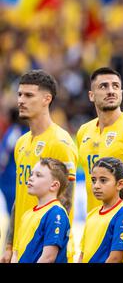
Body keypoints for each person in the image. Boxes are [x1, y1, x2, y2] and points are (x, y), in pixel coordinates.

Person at [0, 70, 77, 263]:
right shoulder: (21, 143)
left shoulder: (60, 142)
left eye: (28, 95)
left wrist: (50, 251)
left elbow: (65, 202)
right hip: (22, 246)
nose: (21, 101)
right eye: (19, 95)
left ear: (46, 99)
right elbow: (20, 197)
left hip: (46, 248)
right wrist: (10, 245)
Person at [77, 67, 123, 224]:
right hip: (94, 228)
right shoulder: (83, 132)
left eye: (115, 86)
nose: (111, 91)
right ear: (91, 95)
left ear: (121, 93)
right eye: (103, 86)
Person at [11, 158, 70, 263]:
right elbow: (16, 253)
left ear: (54, 185)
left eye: (38, 175)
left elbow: (48, 258)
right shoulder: (27, 214)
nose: (31, 178)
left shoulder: (56, 213)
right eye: (31, 174)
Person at [79, 157, 123, 263]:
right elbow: (82, 255)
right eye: (93, 180)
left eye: (103, 180)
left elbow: (116, 258)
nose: (96, 186)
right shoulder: (92, 214)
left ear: (120, 184)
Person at [0, 108, 28, 216]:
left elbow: (3, 155)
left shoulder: (17, 131)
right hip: (11, 180)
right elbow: (4, 156)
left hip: (13, 180)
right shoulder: (16, 131)